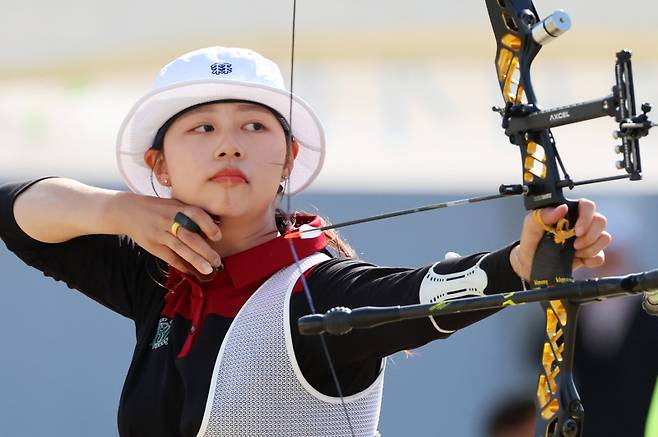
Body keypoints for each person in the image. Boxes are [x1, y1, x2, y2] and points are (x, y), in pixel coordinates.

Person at [0, 46, 611, 437]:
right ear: (159, 165)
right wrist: (118, 209)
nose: (229, 143)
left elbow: (419, 295)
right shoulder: (159, 277)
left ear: (288, 158)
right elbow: (16, 214)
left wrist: (520, 263)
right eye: (202, 127)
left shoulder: (315, 290)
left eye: (254, 126)